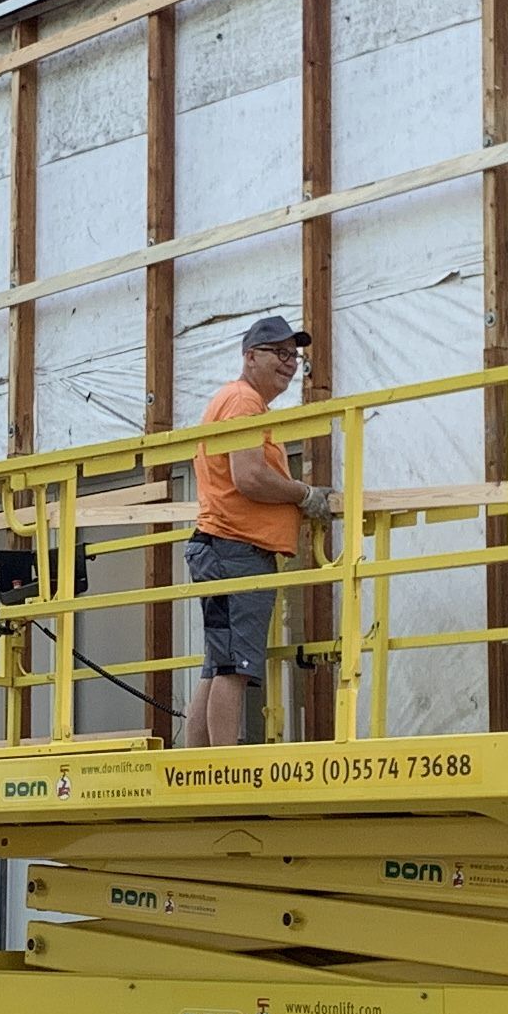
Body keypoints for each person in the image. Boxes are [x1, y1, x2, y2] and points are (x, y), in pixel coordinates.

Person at [184, 314, 332, 749]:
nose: (289, 363)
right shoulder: (242, 402)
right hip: (235, 549)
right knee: (235, 667)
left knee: (219, 664)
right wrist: (305, 495)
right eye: (278, 353)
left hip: (225, 546)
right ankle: (222, 769)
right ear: (250, 356)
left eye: (294, 355)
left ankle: (195, 770)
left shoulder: (243, 403)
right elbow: (249, 477)